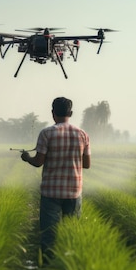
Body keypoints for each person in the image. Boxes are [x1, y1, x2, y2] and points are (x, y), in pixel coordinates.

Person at [21, 97, 91, 260]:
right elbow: (86, 164)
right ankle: (67, 267)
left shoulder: (46, 133)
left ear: (53, 113)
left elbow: (38, 162)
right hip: (74, 192)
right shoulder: (82, 135)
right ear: (71, 113)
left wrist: (27, 158)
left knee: (49, 237)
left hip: (51, 192)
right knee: (71, 235)